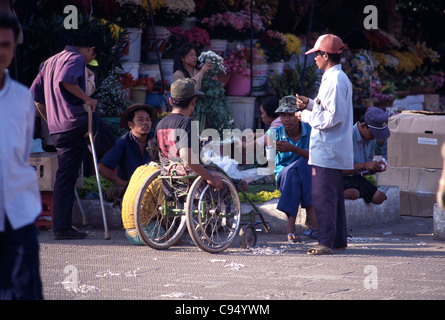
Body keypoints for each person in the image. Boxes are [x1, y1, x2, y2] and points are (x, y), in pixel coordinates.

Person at [30, 30, 105, 240]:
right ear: (91, 50)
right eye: (94, 55)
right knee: (102, 128)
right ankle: (114, 172)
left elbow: (36, 98)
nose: (92, 59)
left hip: (59, 128)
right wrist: (87, 100)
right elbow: (66, 81)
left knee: (66, 176)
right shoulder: (76, 58)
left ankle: (62, 227)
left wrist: (50, 121)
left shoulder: (49, 61)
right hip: (74, 123)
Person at [296, 34, 354, 255]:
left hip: (328, 149)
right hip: (329, 148)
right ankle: (336, 240)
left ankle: (325, 242)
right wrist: (310, 104)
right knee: (334, 197)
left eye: (316, 54)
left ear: (326, 55)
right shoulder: (334, 78)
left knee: (323, 197)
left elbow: (332, 117)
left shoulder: (336, 80)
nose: (314, 59)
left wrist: (305, 116)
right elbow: (328, 109)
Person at [0, 12, 43, 299]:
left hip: (19, 215)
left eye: (5, 44)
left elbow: (21, 153)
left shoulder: (22, 97)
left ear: (14, 47)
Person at [155, 78, 223, 193]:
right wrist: (209, 177)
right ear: (193, 101)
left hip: (169, 179)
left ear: (171, 101)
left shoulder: (160, 124)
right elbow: (187, 158)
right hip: (189, 179)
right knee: (227, 180)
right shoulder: (187, 122)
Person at [266, 96, 318, 242]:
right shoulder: (273, 134)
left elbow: (316, 157)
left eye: (290, 115)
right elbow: (271, 165)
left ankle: (291, 225)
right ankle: (311, 217)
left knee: (300, 166)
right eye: (283, 115)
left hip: (307, 176)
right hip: (284, 176)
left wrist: (292, 149)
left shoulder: (312, 131)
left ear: (298, 114)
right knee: (293, 170)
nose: (286, 119)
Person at [99, 104, 158, 205]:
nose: (145, 123)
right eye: (140, 120)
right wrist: (124, 184)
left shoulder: (156, 139)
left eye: (148, 119)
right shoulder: (123, 141)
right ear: (130, 124)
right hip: (131, 193)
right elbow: (101, 167)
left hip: (154, 189)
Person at [343, 107, 390, 204]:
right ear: (363, 125)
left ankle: (350, 192)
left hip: (356, 179)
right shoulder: (347, 137)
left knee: (381, 197)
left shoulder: (371, 140)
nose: (375, 137)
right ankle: (339, 192)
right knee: (378, 197)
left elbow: (365, 171)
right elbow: (337, 170)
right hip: (341, 178)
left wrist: (373, 168)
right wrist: (364, 165)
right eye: (373, 133)